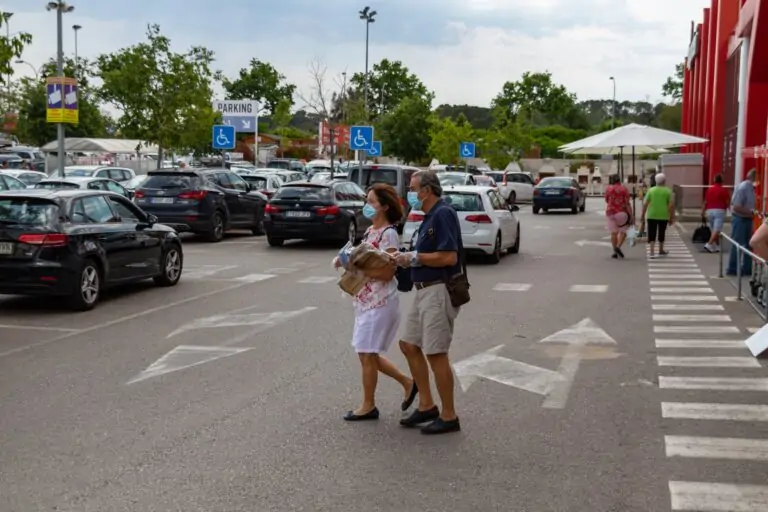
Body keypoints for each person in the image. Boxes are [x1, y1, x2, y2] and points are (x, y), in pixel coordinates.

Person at [336, 183, 416, 422]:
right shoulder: (371, 231)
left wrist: (359, 266)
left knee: (367, 354)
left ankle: (368, 405)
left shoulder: (388, 233)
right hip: (366, 300)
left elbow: (388, 271)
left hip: (381, 302)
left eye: (371, 202)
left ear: (384, 206)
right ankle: (408, 383)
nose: (367, 206)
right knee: (365, 354)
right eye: (367, 201)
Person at [393, 170, 462, 435]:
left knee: (436, 352)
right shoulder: (429, 216)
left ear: (427, 190)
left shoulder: (443, 214)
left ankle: (449, 415)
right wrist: (407, 257)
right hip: (422, 289)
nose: (409, 193)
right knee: (408, 344)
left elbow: (448, 257)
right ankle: (426, 405)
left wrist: (414, 258)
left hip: (437, 289)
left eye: (413, 188)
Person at [727, 169, 757, 276]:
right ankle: (732, 268)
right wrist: (752, 212)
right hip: (740, 219)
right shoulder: (744, 187)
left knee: (749, 245)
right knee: (737, 245)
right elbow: (736, 207)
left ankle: (747, 269)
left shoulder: (750, 188)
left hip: (746, 219)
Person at [640, 173, 675, 259]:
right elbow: (671, 205)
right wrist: (671, 217)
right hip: (663, 215)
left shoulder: (651, 190)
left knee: (652, 233)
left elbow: (645, 204)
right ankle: (661, 250)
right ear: (664, 181)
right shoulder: (668, 191)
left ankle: (652, 252)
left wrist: (642, 215)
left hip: (651, 215)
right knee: (661, 232)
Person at [700, 174, 731, 253]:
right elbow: (727, 202)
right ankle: (709, 244)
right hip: (720, 211)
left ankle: (717, 246)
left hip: (709, 211)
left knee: (714, 229)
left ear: (714, 180)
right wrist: (730, 210)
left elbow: (705, 202)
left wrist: (702, 212)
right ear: (722, 181)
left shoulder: (709, 190)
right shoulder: (724, 190)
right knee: (717, 229)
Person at [604, 174, 632, 259]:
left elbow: (606, 200)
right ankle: (618, 247)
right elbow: (627, 203)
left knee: (614, 232)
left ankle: (614, 252)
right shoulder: (624, 189)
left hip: (611, 212)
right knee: (623, 231)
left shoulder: (608, 189)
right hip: (621, 212)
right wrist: (631, 215)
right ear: (619, 180)